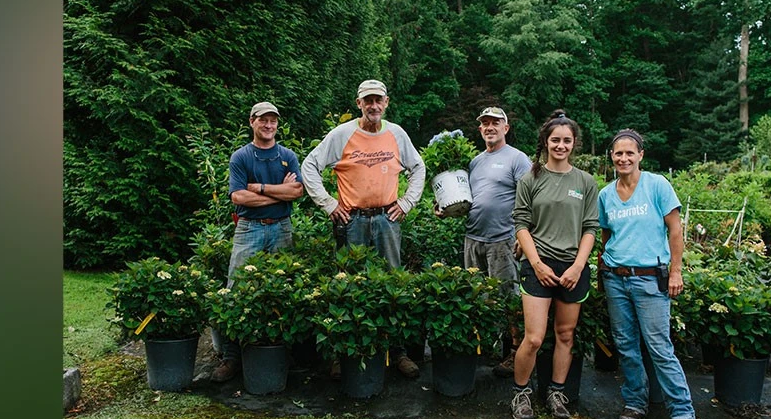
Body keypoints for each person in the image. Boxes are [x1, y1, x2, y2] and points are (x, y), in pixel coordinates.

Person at [302, 79, 426, 378]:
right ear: (359, 103)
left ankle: (396, 353)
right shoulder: (342, 134)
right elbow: (309, 166)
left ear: (386, 102)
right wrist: (330, 204)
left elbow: (418, 167)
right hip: (351, 221)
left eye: (378, 100)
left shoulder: (396, 134)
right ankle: (343, 353)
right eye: (367, 101)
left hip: (387, 220)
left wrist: (407, 202)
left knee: (393, 285)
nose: (373, 106)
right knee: (347, 285)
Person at [597, 128, 697, 419]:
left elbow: (675, 231)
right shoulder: (605, 194)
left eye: (630, 152)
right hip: (616, 279)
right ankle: (635, 402)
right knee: (625, 345)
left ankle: (682, 412)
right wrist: (604, 268)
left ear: (640, 155)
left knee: (659, 347)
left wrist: (676, 272)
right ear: (611, 157)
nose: (623, 158)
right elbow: (606, 236)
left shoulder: (657, 186)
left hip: (651, 278)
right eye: (618, 153)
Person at [509, 110, 598, 419]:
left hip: (573, 267)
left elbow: (590, 227)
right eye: (555, 140)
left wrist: (577, 266)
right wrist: (536, 264)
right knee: (533, 338)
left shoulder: (585, 182)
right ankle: (521, 393)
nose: (561, 145)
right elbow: (521, 224)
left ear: (574, 144)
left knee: (565, 334)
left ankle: (556, 392)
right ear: (545, 142)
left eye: (567, 140)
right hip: (538, 264)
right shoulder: (530, 179)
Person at [211, 101, 305, 382]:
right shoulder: (241, 157)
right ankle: (231, 358)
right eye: (263, 120)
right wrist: (280, 192)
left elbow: (298, 191)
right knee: (236, 288)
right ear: (252, 121)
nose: (268, 125)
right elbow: (238, 197)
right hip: (249, 228)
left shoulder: (287, 155)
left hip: (281, 228)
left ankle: (283, 353)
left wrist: (261, 188)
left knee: (284, 286)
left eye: (273, 120)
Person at [435, 107, 532, 377]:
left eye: (495, 123)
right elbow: (465, 198)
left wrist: (526, 236)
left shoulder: (517, 159)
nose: (490, 127)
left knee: (509, 297)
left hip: (502, 240)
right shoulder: (476, 162)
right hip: (473, 238)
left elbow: (529, 199)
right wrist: (444, 208)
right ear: (479, 129)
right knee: (478, 297)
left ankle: (515, 352)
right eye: (485, 123)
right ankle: (485, 346)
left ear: (506, 128)